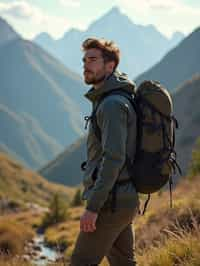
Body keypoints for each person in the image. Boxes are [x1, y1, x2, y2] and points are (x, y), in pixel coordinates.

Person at [69, 38, 140, 266]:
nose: (85, 65)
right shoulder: (116, 98)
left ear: (110, 66)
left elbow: (114, 158)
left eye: (92, 60)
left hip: (110, 203)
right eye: (84, 60)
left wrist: (93, 207)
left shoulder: (111, 105)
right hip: (124, 198)